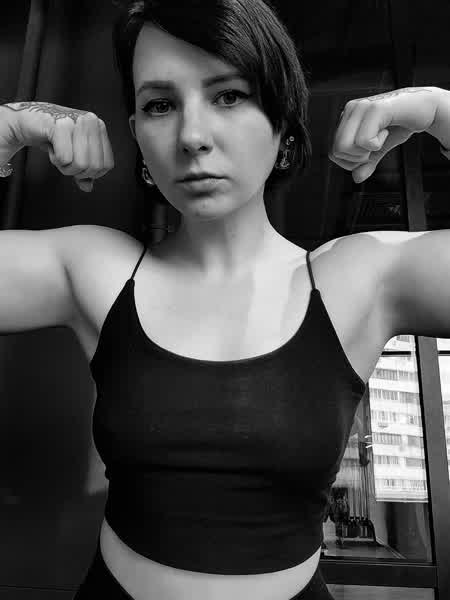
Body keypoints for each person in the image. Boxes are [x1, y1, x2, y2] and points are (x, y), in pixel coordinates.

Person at [1, 0, 450, 598]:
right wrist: (8, 127)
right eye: (160, 105)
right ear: (136, 134)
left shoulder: (359, 278)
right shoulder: (97, 271)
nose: (192, 136)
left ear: (284, 125)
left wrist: (442, 111)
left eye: (229, 95)